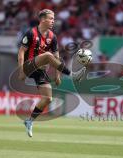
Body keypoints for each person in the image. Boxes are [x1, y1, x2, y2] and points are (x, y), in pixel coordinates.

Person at [18, 9, 86, 137]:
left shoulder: (52, 37)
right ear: (43, 19)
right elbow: (21, 52)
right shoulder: (31, 33)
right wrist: (21, 71)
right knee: (48, 55)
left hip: (40, 70)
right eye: (51, 18)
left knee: (48, 98)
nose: (53, 21)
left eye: (54, 19)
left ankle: (29, 121)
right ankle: (72, 74)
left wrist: (57, 75)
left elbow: (57, 57)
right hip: (28, 65)